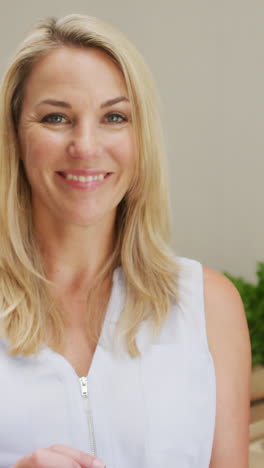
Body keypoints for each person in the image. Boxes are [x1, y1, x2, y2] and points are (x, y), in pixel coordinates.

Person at [0, 13, 251, 468]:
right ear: (15, 136)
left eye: (114, 117)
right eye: (56, 117)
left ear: (142, 139)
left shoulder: (209, 306)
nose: (86, 145)